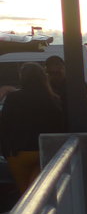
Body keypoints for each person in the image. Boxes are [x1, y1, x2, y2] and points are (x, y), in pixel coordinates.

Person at [0, 63, 63, 194]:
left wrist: (6, 151)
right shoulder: (53, 99)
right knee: (41, 192)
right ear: (43, 77)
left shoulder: (13, 98)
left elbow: (5, 124)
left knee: (26, 194)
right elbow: (60, 125)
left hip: (19, 153)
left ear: (22, 78)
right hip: (44, 151)